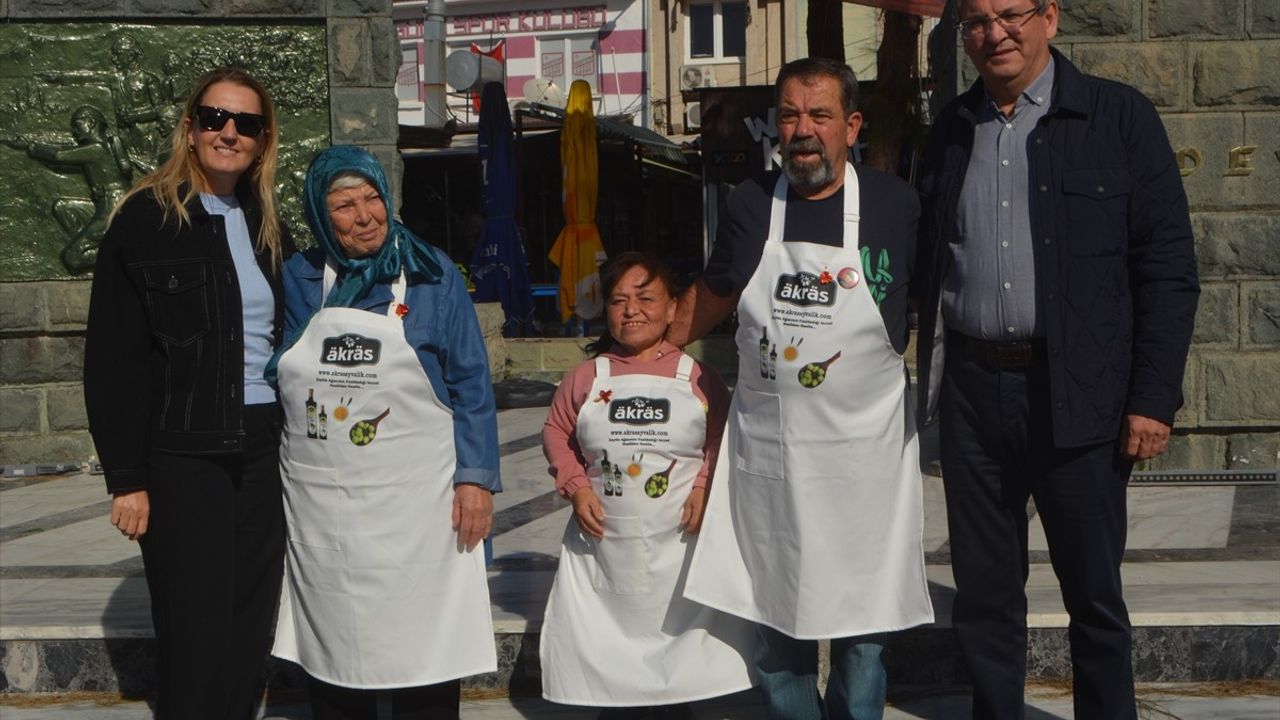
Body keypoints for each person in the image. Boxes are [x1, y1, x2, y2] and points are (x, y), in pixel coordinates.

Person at [914, 2, 1199, 718]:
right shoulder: (950, 129)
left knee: (1095, 599)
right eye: (976, 20)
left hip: (1081, 393)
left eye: (1011, 14)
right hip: (974, 396)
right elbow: (923, 265)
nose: (994, 33)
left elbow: (1166, 268)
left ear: (1050, 18)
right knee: (984, 598)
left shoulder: (1118, 119)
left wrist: (1152, 398)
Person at [669, 57, 934, 720]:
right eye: (789, 115)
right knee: (777, 630)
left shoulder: (896, 204)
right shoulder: (751, 203)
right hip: (774, 462)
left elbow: (938, 305)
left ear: (852, 124)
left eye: (819, 115)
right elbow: (715, 291)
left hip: (866, 465)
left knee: (863, 639)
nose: (803, 130)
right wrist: (648, 344)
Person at [84, 68, 291, 718]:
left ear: (262, 140)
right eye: (214, 118)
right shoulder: (146, 219)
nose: (229, 132)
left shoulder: (265, 223)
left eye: (246, 124)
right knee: (195, 630)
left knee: (247, 626)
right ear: (190, 127)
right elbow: (113, 361)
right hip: (184, 456)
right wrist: (127, 478)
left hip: (262, 451)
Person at [268, 145, 500, 720]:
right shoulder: (298, 279)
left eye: (372, 198)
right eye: (344, 206)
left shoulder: (430, 274)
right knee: (339, 656)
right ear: (321, 216)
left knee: (425, 656)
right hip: (330, 509)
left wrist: (477, 480)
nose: (365, 215)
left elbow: (470, 385)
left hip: (420, 510)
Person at [540, 252, 755, 719]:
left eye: (645, 298)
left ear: (675, 308)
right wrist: (576, 486)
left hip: (678, 548)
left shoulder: (700, 379)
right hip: (604, 550)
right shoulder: (586, 377)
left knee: (677, 666)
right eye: (618, 300)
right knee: (612, 667)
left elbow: (721, 437)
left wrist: (703, 485)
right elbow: (556, 432)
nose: (630, 310)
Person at [6, 105, 133, 273]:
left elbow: (59, 155)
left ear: (91, 123)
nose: (74, 130)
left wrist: (30, 146)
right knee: (61, 208)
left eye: (77, 124)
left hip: (115, 207)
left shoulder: (97, 149)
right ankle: (95, 242)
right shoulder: (99, 147)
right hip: (105, 204)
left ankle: (129, 254)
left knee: (72, 258)